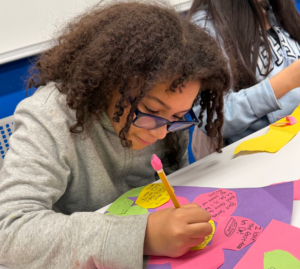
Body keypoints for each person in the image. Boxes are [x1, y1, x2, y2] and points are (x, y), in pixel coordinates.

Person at [0, 1, 230, 269]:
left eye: (178, 117)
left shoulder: (168, 122)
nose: (160, 132)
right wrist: (143, 236)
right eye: (151, 109)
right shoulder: (48, 117)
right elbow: (9, 231)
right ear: (111, 81)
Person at [188, 0, 300, 149]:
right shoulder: (206, 25)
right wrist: (284, 82)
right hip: (263, 153)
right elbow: (212, 118)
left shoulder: (274, 8)